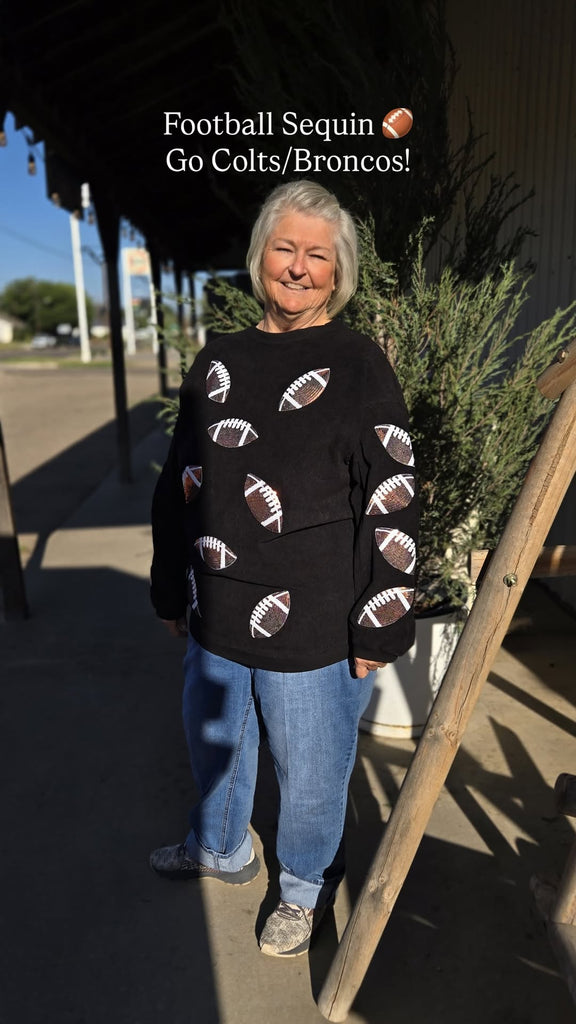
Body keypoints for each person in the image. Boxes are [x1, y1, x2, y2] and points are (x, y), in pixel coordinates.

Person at [149, 179, 418, 958]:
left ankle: (302, 887)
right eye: (284, 248)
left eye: (317, 255)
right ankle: (222, 848)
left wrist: (384, 615)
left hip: (316, 619)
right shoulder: (219, 358)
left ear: (339, 273)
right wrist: (172, 584)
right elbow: (180, 482)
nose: (297, 267)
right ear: (260, 254)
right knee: (216, 749)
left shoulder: (357, 363)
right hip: (219, 607)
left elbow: (391, 495)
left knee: (311, 773)